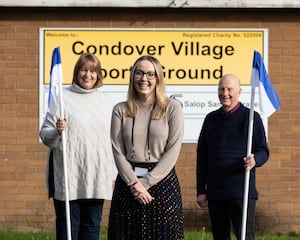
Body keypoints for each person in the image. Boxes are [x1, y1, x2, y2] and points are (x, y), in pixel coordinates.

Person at [39, 53, 117, 240]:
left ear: (98, 75)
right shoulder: (61, 98)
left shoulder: (105, 102)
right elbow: (44, 134)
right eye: (83, 69)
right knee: (68, 229)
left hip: (96, 177)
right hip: (69, 176)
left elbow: (112, 142)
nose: (87, 74)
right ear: (76, 72)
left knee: (91, 227)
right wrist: (57, 131)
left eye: (92, 71)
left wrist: (114, 174)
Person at [108, 55, 184, 239]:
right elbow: (117, 151)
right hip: (128, 183)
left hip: (162, 183)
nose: (144, 79)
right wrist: (135, 184)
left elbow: (173, 151)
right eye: (139, 73)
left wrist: (146, 183)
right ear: (132, 76)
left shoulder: (172, 108)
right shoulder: (120, 110)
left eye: (151, 74)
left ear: (158, 78)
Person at [196, 73, 269, 240]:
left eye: (230, 89)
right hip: (216, 192)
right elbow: (202, 157)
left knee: (245, 236)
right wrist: (201, 190)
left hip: (241, 191)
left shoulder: (251, 118)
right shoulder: (211, 119)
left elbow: (263, 150)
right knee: (220, 236)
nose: (225, 93)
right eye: (221, 89)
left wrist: (255, 159)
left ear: (239, 92)